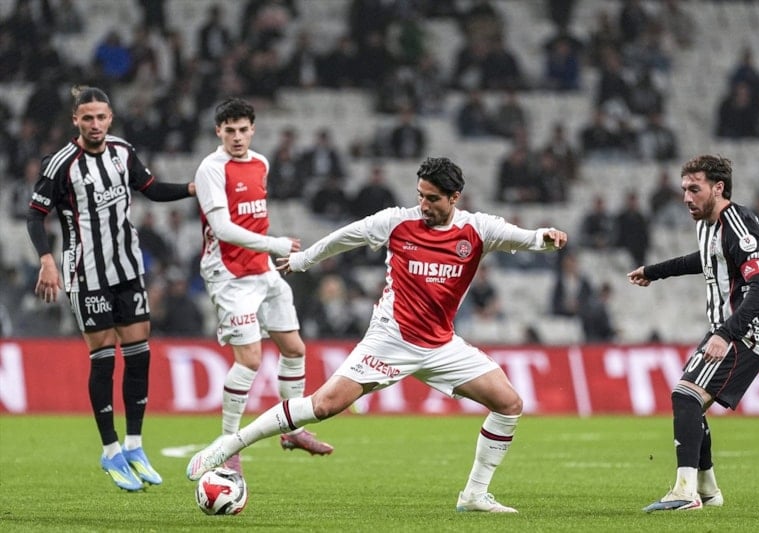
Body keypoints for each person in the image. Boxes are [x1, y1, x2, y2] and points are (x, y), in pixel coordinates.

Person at [186, 156, 568, 513]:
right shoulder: (397, 222)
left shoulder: (477, 230)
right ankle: (228, 445)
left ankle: (474, 495)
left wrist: (546, 237)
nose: (423, 205)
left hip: (441, 345)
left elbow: (528, 238)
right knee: (323, 406)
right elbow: (345, 236)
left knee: (508, 403)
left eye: (432, 198)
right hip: (389, 340)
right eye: (420, 195)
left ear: (455, 198)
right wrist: (304, 259)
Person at [26, 86, 197, 492]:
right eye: (87, 118)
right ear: (76, 120)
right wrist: (46, 259)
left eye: (101, 117)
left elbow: (151, 189)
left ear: (110, 117)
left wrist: (191, 189)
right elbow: (35, 216)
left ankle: (135, 445)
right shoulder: (60, 164)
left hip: (128, 268)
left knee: (139, 356)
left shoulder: (123, 151)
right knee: (103, 359)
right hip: (86, 274)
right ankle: (110, 449)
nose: (95, 124)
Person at [627, 155, 759, 512]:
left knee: (686, 396)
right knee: (691, 403)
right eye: (684, 190)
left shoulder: (739, 226)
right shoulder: (708, 224)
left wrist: (725, 334)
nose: (686, 198)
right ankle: (707, 491)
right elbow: (706, 259)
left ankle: (685, 492)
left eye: (694, 189)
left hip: (746, 331)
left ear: (718, 188)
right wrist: (654, 271)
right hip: (726, 330)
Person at [194, 97, 334, 474]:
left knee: (294, 349)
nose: (237, 137)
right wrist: (274, 244)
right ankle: (228, 446)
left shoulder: (261, 163)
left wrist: (269, 253)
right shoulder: (211, 169)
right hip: (229, 274)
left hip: (262, 270)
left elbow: (252, 218)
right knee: (250, 360)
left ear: (253, 129)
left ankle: (292, 429)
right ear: (218, 131)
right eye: (230, 130)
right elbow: (222, 229)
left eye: (243, 130)